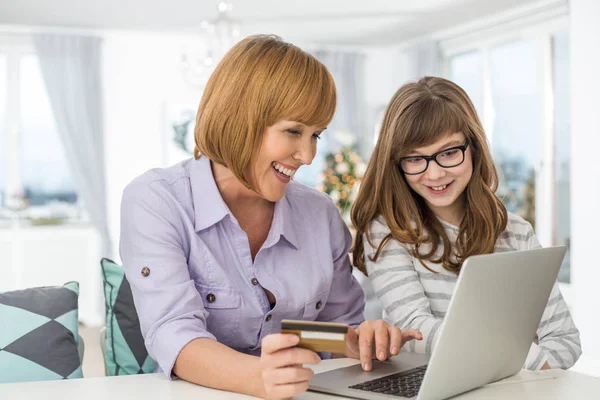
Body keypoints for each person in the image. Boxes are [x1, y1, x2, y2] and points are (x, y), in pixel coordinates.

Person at [120, 35, 421, 400]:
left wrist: (359, 342)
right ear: (239, 118)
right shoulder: (157, 200)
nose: (307, 155)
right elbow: (173, 332)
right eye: (294, 131)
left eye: (316, 136)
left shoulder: (320, 214)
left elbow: (335, 327)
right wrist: (256, 377)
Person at [351, 76, 581, 371]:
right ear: (397, 163)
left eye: (448, 153)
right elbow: (415, 330)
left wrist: (512, 366)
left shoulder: (517, 233)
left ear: (473, 148)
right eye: (415, 159)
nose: (434, 175)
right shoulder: (389, 232)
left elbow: (565, 341)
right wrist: (521, 359)